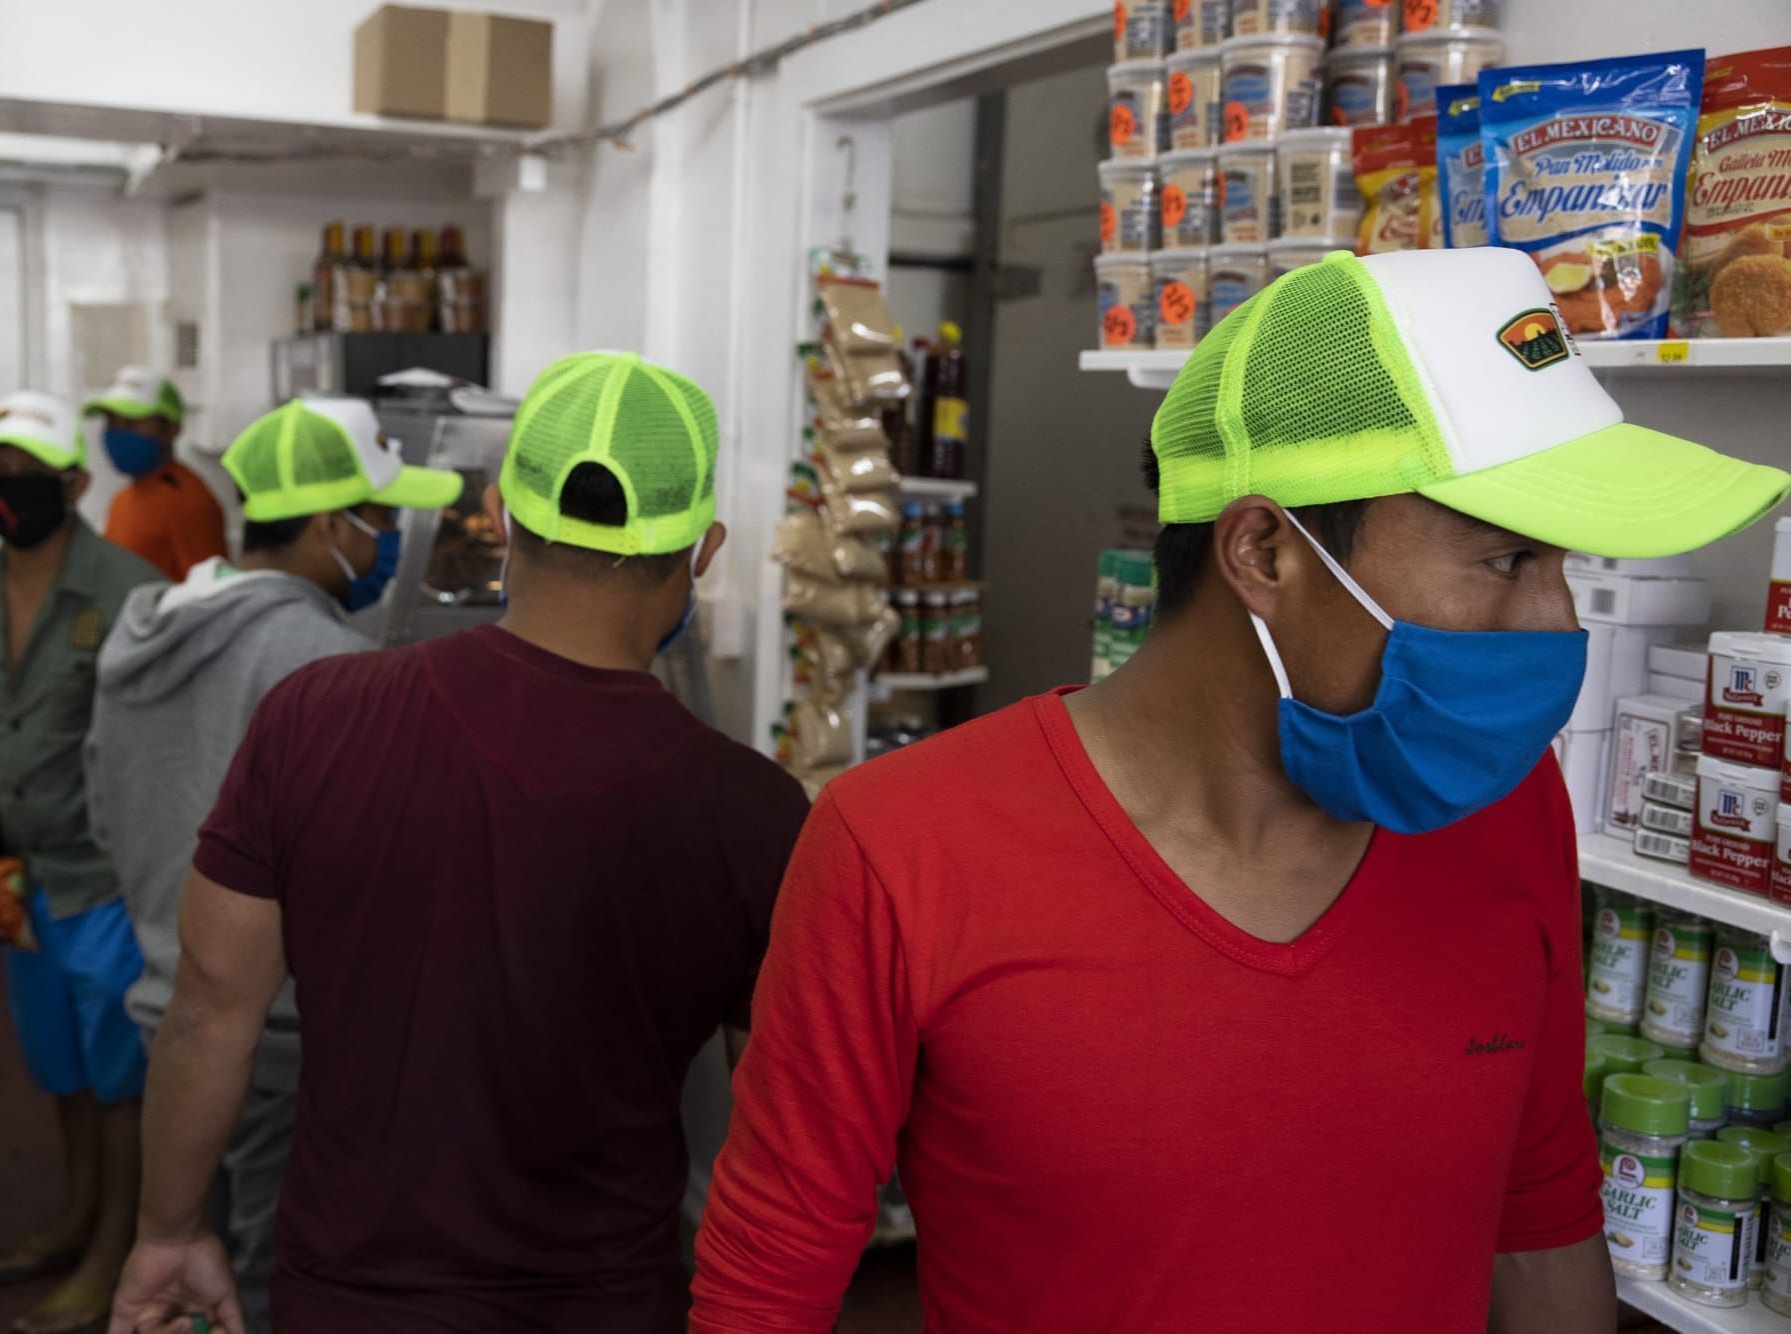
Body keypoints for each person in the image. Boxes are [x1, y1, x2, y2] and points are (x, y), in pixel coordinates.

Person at [690, 249, 1791, 1331]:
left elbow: (1538, 1207)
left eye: (1567, 567)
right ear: (1263, 549)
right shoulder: (902, 847)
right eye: (1505, 560)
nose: (1557, 621)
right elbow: (766, 1283)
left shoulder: (1505, 814)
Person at [106, 352, 809, 1334]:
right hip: (605, 1303)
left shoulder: (315, 714)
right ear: (703, 548)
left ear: (505, 519)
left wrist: (169, 1230)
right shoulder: (758, 812)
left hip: (348, 1296)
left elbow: (209, 1010)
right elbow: (785, 1122)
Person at [84, 397, 442, 1334]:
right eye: (385, 519)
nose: (393, 542)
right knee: (278, 1279)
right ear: (332, 524)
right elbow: (373, 882)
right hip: (281, 1042)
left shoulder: (144, 634)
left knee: (195, 1260)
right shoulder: (326, 666)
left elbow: (103, 815)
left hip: (164, 1016)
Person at [0, 390, 166, 1334]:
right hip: (10, 875)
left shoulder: (129, 589)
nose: (4, 493)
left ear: (75, 485)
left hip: (103, 880)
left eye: (24, 477)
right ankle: (74, 1214)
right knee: (57, 1065)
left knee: (119, 1077)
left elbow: (157, 748)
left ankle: (116, 1250)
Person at [89, 366, 228, 581]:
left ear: (171, 429)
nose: (118, 433)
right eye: (111, 422)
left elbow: (213, 598)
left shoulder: (188, 502)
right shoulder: (123, 499)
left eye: (131, 422)